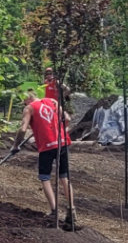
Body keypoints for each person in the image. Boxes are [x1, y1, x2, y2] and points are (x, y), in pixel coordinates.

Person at [11, 91, 78, 230]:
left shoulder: (29, 108)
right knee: (64, 177)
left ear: (28, 97)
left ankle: (54, 211)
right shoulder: (52, 101)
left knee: (45, 177)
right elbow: (67, 119)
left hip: (46, 147)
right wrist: (60, 130)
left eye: (23, 100)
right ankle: (71, 210)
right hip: (62, 143)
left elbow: (23, 129)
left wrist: (16, 145)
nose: (23, 103)